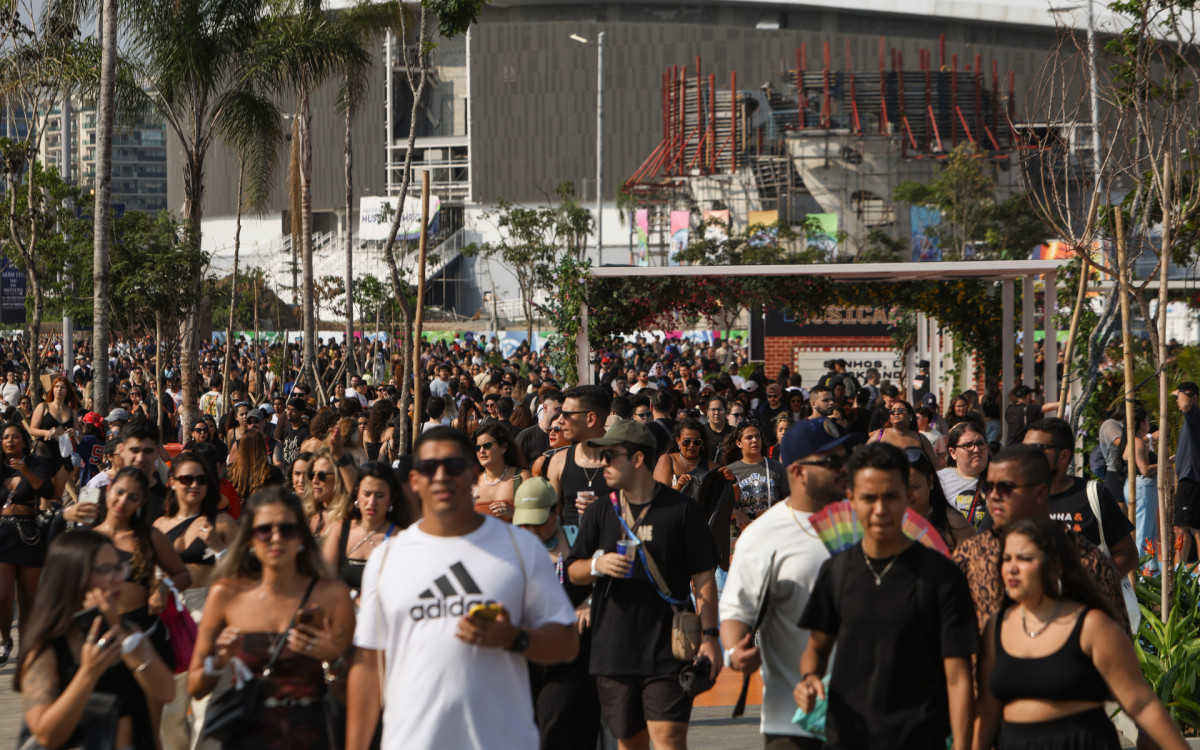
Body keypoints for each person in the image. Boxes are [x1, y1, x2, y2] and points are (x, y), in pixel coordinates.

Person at [345, 426, 578, 750]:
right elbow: (368, 666)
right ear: (414, 481)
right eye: (429, 468)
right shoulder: (387, 558)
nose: (441, 477)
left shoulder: (521, 548)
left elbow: (567, 643)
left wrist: (514, 637)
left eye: (453, 467)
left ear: (472, 475)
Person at [795, 443, 978, 750]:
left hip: (920, 738)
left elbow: (959, 677)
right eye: (869, 498)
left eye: (890, 496)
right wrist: (809, 677)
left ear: (907, 497)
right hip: (847, 738)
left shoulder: (943, 577)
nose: (880, 509)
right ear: (852, 499)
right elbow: (816, 646)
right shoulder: (836, 571)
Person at [567, 419, 721, 750]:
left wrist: (710, 638)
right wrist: (598, 564)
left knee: (668, 739)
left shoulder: (682, 509)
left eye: (610, 456)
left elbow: (705, 580)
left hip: (670, 647)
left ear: (637, 459)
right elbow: (573, 571)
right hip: (613, 649)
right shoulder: (599, 511)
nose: (602, 463)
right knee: (630, 743)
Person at [973, 518, 1189, 750]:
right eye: (1006, 559)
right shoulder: (996, 625)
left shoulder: (1092, 626)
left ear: (1055, 565)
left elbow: (1141, 703)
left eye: (1024, 558)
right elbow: (988, 709)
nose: (1011, 567)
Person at [720, 418, 859, 748]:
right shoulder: (762, 536)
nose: (844, 468)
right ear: (797, 471)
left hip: (869, 720)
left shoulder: (869, 522)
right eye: (831, 461)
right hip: (794, 724)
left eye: (846, 458)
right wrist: (735, 650)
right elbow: (736, 613)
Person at [188, 487, 356, 750]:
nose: (276, 538)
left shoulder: (332, 595)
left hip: (312, 735)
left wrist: (332, 659)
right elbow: (195, 687)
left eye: (287, 529)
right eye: (265, 530)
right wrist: (219, 662)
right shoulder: (227, 595)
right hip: (247, 734)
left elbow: (356, 695)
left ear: (301, 536)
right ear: (249, 539)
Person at [15, 531, 174, 750]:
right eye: (105, 570)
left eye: (119, 567)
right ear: (74, 577)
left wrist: (118, 631)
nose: (118, 578)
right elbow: (46, 735)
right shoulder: (47, 649)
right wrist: (88, 673)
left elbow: (166, 692)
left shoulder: (128, 633)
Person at [953, 445, 1131, 634]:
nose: (994, 496)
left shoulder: (1086, 560)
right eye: (988, 488)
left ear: (1040, 492)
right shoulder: (971, 555)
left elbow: (1114, 639)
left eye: (1005, 487)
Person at [513, 477, 601, 750]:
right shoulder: (509, 546)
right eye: (524, 523)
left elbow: (606, 579)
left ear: (556, 512)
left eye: (538, 522)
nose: (531, 530)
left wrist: (589, 600)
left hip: (572, 653)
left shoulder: (579, 538)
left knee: (558, 728)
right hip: (525, 653)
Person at [1021, 418, 1137, 577]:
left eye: (1037, 448)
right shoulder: (1016, 497)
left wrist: (1087, 582)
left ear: (1063, 456)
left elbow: (1128, 556)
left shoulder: (1093, 494)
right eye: (1024, 448)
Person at [321, 462, 410, 601]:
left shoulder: (399, 537)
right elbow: (325, 579)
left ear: (391, 498)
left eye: (380, 495)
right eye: (367, 494)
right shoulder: (341, 529)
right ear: (357, 494)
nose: (371, 501)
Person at [547, 385, 613, 535]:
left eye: (567, 414)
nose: (559, 421)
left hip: (611, 552)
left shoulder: (624, 461)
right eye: (560, 413)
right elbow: (552, 518)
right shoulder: (559, 461)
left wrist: (604, 510)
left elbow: (639, 517)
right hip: (570, 553)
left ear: (590, 418)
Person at [472, 422, 531, 522]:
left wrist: (514, 514)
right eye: (477, 447)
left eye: (487, 445)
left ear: (503, 447)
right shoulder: (472, 483)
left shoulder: (521, 477)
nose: (481, 451)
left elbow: (536, 518)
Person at [937, 421, 990, 528]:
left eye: (980, 443)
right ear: (953, 452)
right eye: (968, 445)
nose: (976, 449)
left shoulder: (1000, 479)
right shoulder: (938, 480)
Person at [301, 446, 352, 545]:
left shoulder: (348, 517)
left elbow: (354, 490)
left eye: (322, 476)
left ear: (338, 478)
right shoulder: (306, 515)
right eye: (312, 475)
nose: (315, 481)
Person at [1173, 382, 1200, 563]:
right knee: (1194, 529)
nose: (1177, 400)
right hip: (1189, 477)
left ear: (1194, 398)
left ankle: (1179, 572)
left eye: (1182, 395)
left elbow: (1184, 404)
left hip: (1190, 479)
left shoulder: (1194, 415)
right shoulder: (1191, 421)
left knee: (1181, 528)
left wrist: (1179, 392)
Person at [652, 418, 711, 501]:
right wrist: (678, 487)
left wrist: (733, 481)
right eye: (686, 441)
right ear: (678, 440)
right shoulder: (667, 460)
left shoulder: (711, 466)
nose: (691, 445)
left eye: (697, 442)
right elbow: (658, 496)